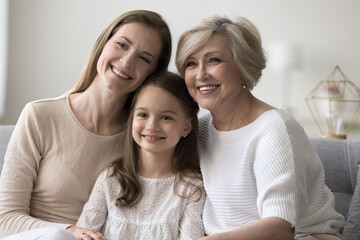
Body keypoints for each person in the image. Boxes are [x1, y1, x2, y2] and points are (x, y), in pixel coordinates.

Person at [0, 10, 172, 240]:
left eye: (144, 58)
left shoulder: (143, 138)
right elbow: (5, 218)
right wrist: (70, 232)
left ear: (152, 74)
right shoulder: (40, 115)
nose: (127, 61)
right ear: (104, 43)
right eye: (122, 44)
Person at [176, 15, 345, 240]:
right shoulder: (199, 129)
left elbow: (280, 229)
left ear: (243, 67)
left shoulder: (274, 128)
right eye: (191, 63)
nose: (200, 74)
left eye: (214, 60)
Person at [76, 71, 205, 240]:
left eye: (166, 117)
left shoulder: (192, 188)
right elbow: (82, 233)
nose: (152, 126)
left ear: (186, 127)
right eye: (143, 115)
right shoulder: (112, 178)